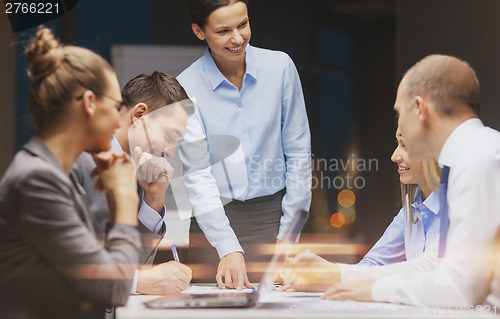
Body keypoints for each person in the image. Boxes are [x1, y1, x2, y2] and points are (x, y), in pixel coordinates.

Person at [322, 54, 500, 307]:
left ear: (420, 109)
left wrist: (373, 288)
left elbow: (460, 287)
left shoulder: (478, 159)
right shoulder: (475, 155)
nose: (399, 127)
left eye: (399, 112)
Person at [0, 27, 140, 318]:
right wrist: (126, 198)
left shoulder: (53, 174)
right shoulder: (36, 180)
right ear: (89, 103)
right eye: (116, 106)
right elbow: (113, 286)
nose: (118, 119)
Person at [177, 0, 312, 289]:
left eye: (243, 24)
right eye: (224, 30)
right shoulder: (186, 87)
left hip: (275, 217)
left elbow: (299, 153)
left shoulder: (280, 68)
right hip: (212, 222)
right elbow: (196, 174)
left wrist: (288, 238)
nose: (238, 38)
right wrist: (226, 246)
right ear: (199, 31)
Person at [72, 72, 194, 295]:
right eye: (169, 135)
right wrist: (136, 281)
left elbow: (133, 267)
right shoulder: (77, 158)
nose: (171, 151)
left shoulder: (136, 174)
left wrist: (154, 198)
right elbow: (59, 257)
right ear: (139, 114)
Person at [280, 129, 442, 292]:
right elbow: (373, 263)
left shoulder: (458, 206)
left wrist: (334, 275)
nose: (394, 156)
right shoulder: (411, 209)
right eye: (397, 144)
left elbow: (431, 269)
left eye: (405, 146)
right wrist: (319, 280)